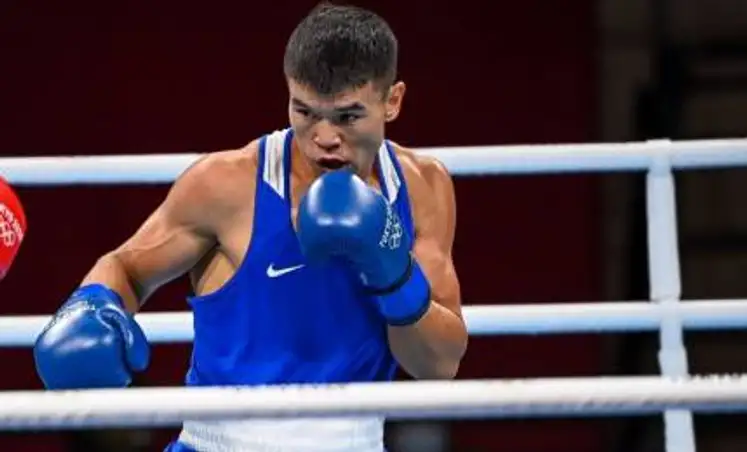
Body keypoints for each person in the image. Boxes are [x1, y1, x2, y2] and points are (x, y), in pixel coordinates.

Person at [32, 3, 468, 451]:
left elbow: (438, 365)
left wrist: (392, 273)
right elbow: (126, 267)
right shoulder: (227, 185)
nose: (324, 137)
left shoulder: (421, 187)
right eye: (305, 112)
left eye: (347, 116)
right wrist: (91, 307)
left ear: (391, 101)